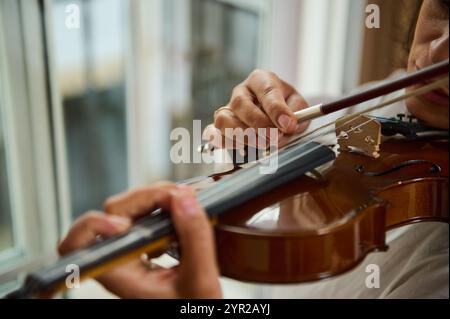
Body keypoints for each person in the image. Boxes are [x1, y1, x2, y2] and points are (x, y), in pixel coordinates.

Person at [59, 0, 448, 298]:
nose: (435, 56)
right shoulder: (413, 93)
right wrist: (277, 132)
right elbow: (346, 128)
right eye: (444, 5)